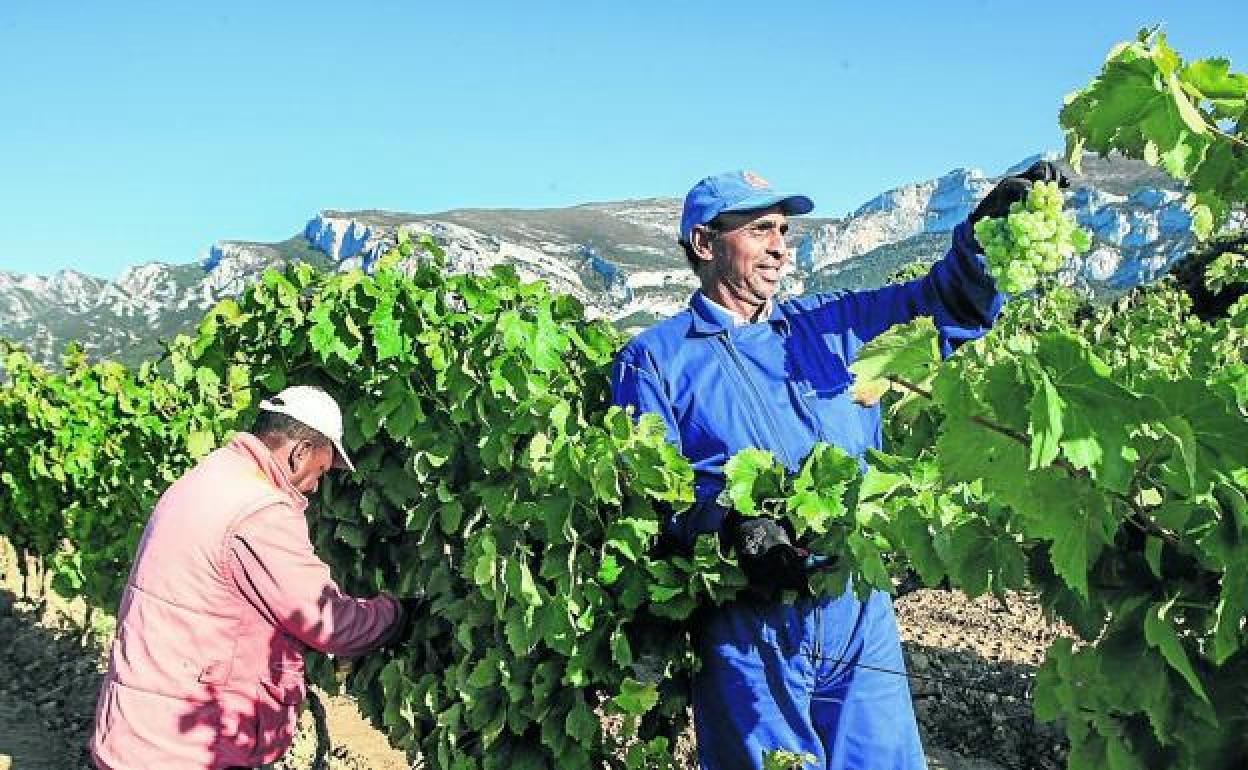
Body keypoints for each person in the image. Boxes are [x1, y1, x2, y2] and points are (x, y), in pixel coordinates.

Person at [611, 165, 1063, 769]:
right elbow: (650, 499)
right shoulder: (654, 359)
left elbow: (941, 305)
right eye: (760, 229)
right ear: (704, 243)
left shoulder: (835, 325)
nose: (779, 246)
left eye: (785, 230)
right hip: (749, 631)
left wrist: (982, 237)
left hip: (857, 609)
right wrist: (725, 526)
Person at [90, 385, 419, 770]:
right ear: (299, 453)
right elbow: (328, 623)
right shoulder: (258, 510)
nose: (316, 487)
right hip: (188, 750)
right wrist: (397, 615)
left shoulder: (206, 478)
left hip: (141, 733)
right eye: (321, 471)